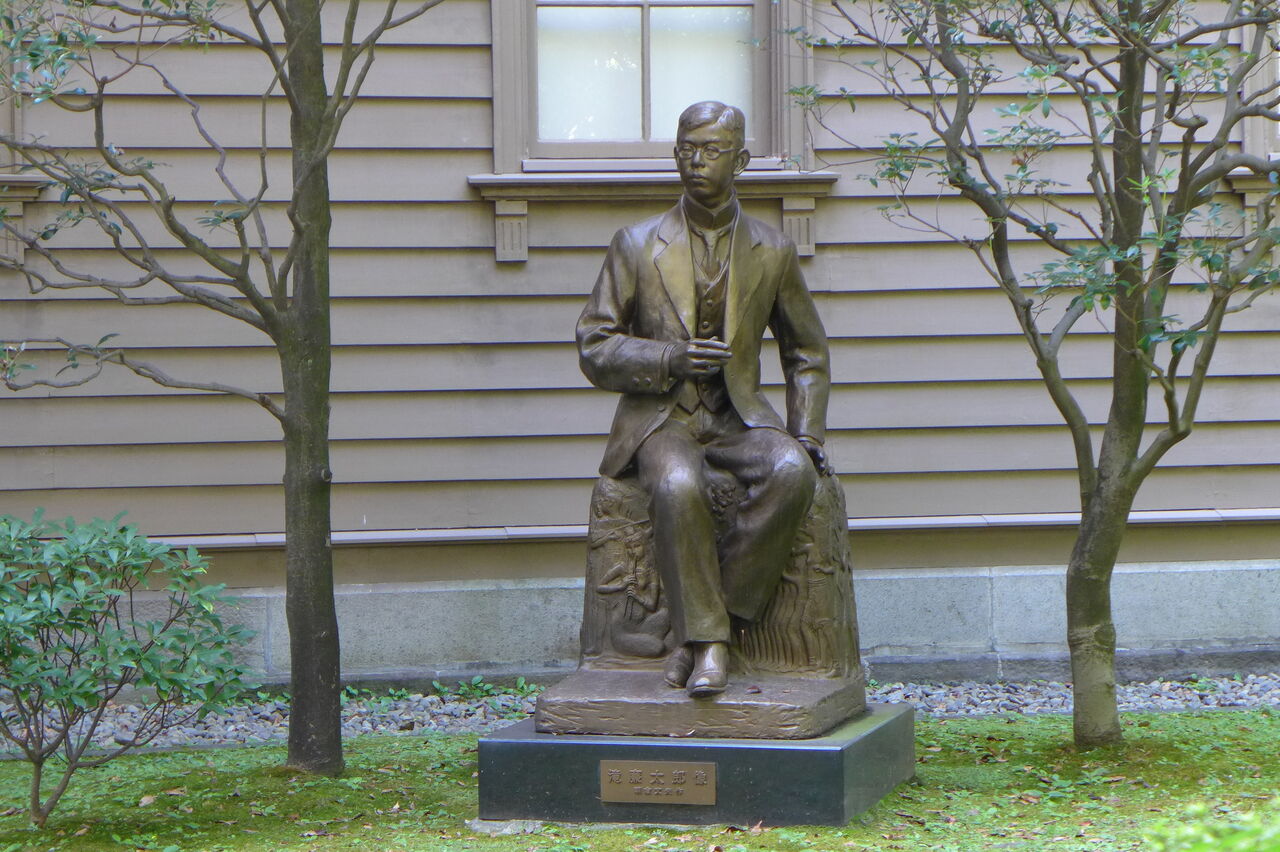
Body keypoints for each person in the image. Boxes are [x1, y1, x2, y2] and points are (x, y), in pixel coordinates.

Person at [576, 101, 832, 697]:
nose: (696, 161)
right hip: (662, 419)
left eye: (712, 150)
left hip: (739, 418)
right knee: (676, 484)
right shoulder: (636, 244)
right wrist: (667, 358)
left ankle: (706, 628)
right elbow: (594, 344)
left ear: (740, 161)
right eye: (687, 149)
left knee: (792, 470)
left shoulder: (773, 249)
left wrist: (807, 433)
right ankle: (711, 645)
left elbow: (806, 351)